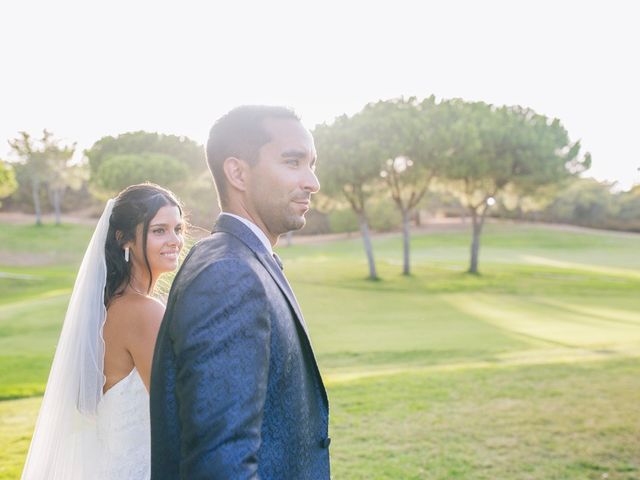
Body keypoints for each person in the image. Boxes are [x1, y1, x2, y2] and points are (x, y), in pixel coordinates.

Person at [150, 105, 331, 479]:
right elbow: (220, 464)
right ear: (237, 172)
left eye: (312, 163)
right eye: (293, 162)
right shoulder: (229, 274)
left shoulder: (240, 259)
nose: (312, 181)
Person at [21, 183, 185, 480]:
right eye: (159, 230)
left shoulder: (111, 305)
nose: (175, 240)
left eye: (178, 229)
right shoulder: (144, 311)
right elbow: (175, 409)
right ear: (124, 240)